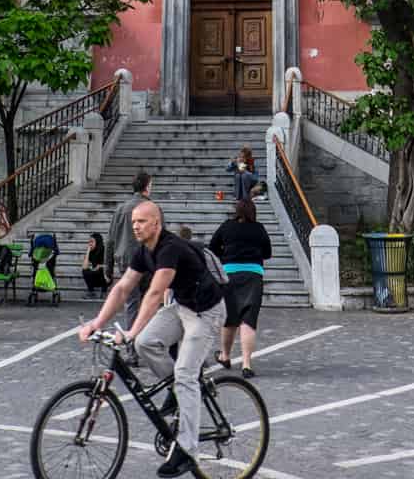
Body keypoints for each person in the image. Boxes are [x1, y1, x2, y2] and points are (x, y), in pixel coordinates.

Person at [79, 200, 225, 479]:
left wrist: (130, 332)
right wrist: (96, 323)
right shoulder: (142, 251)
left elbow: (156, 293)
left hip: (206, 312)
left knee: (184, 373)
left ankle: (187, 450)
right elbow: (122, 288)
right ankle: (177, 391)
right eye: (134, 221)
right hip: (182, 307)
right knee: (146, 343)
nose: (135, 225)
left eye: (142, 221)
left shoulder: (170, 248)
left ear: (156, 223)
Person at [210, 198, 271, 377]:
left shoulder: (227, 226)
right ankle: (246, 364)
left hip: (229, 275)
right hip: (253, 275)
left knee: (230, 320)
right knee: (248, 320)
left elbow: (213, 247)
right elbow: (268, 252)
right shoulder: (259, 228)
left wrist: (226, 255)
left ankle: (225, 356)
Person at [107, 167, 154, 327]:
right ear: (147, 187)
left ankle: (131, 341)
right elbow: (162, 239)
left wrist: (108, 267)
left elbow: (111, 240)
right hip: (148, 260)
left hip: (126, 261)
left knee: (131, 303)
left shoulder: (121, 209)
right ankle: (144, 341)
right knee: (150, 302)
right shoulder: (152, 208)